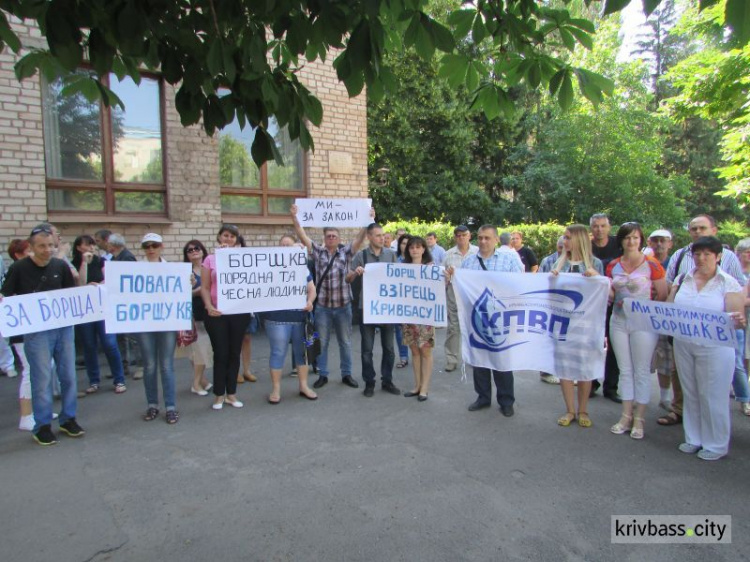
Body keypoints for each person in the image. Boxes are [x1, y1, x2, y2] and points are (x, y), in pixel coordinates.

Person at [660, 214, 748, 425]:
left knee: (712, 386)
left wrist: (737, 318)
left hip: (716, 339)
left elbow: (739, 290)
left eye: (702, 228)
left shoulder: (728, 262)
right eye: (694, 229)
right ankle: (684, 420)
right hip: (684, 336)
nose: (697, 232)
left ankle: (715, 433)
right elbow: (670, 290)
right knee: (684, 380)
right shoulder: (680, 259)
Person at [0, 224, 84, 445]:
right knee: (42, 378)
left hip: (64, 329)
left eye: (50, 245)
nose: (47, 250)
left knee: (68, 376)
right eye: (42, 246)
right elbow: (6, 294)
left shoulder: (60, 266)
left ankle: (68, 418)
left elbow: (70, 295)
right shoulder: (19, 268)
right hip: (36, 333)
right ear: (31, 247)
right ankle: (43, 425)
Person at [670, 236, 746, 460]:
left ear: (718, 256)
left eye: (707, 255)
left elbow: (736, 317)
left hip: (715, 347)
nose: (701, 259)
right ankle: (693, 438)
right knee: (690, 391)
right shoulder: (683, 279)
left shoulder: (728, 282)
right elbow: (668, 308)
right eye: (697, 254)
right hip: (684, 343)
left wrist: (738, 320)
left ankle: (716, 444)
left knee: (713, 395)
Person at [291, 204, 371, 390]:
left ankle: (347, 374)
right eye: (328, 236)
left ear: (339, 238)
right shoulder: (317, 252)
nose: (331, 238)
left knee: (345, 342)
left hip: (343, 307)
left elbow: (360, 239)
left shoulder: (347, 252)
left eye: (334, 236)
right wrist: (295, 218)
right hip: (323, 308)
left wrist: (367, 221)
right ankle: (323, 374)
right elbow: (302, 235)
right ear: (324, 238)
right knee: (323, 342)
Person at [446, 225, 523, 417]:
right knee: (479, 359)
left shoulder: (509, 260)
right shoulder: (470, 261)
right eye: (480, 238)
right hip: (477, 318)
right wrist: (452, 277)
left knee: (502, 360)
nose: (482, 242)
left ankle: (506, 401)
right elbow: (462, 286)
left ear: (496, 240)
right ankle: (483, 397)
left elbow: (520, 285)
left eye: (487, 238)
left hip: (501, 319)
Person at [607, 222, 668, 440]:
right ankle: (625, 414)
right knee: (625, 369)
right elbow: (611, 292)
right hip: (619, 321)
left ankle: (639, 417)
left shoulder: (652, 265)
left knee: (641, 370)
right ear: (621, 240)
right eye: (626, 238)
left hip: (643, 323)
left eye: (635, 237)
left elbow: (662, 294)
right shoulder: (613, 265)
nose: (631, 242)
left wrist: (645, 309)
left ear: (641, 240)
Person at [550, 225, 604, 427]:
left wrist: (596, 277)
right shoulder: (557, 264)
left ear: (579, 239)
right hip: (563, 323)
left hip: (586, 325)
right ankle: (570, 410)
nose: (564, 241)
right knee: (564, 368)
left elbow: (606, 292)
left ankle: (583, 410)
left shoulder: (595, 263)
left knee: (584, 368)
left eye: (568, 237)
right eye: (564, 237)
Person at [347, 223, 401, 397]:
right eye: (377, 235)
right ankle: (369, 382)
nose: (382, 238)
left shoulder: (391, 255)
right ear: (369, 237)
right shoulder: (361, 255)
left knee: (389, 348)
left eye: (383, 235)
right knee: (367, 349)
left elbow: (400, 278)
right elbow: (347, 278)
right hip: (368, 308)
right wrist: (356, 272)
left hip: (387, 309)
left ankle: (387, 380)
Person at [201, 224, 250, 410]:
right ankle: (218, 394)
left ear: (236, 240)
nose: (228, 239)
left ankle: (231, 393)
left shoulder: (243, 258)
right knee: (220, 353)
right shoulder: (210, 259)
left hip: (238, 312)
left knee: (233, 353)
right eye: (225, 235)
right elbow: (205, 287)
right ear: (219, 237)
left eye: (232, 236)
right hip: (217, 313)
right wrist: (209, 306)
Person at [264, 234, 318, 403]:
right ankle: (276, 390)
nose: (286, 249)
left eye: (289, 245)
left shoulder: (302, 267)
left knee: (302, 354)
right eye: (283, 246)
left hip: (300, 317)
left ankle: (303, 386)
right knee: (278, 352)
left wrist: (310, 302)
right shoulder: (268, 266)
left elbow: (312, 289)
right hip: (276, 318)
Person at [72, 235, 126, 395]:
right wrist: (84, 263)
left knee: (109, 343)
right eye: (86, 244)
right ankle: (94, 381)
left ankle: (119, 379)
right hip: (85, 310)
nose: (90, 248)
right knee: (89, 345)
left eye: (92, 245)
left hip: (102, 308)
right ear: (78, 248)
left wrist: (100, 285)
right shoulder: (74, 264)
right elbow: (80, 283)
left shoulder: (101, 261)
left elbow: (110, 279)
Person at [137, 233, 179, 424]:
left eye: (154, 245)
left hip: (167, 321)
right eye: (147, 246)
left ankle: (170, 407)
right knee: (150, 365)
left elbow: (180, 290)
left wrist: (189, 284)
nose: (151, 249)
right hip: (145, 322)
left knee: (166, 365)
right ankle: (152, 404)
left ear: (161, 246)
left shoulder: (171, 269)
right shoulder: (135, 269)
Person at [589, 213, 623, 402]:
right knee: (592, 343)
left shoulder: (618, 245)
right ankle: (591, 383)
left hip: (614, 302)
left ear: (609, 227)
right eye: (595, 226)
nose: (599, 229)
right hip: (592, 304)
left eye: (603, 226)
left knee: (613, 346)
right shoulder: (587, 247)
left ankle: (611, 387)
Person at [401, 237, 435, 401]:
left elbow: (440, 288)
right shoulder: (401, 268)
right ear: (408, 250)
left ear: (423, 249)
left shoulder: (431, 268)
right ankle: (417, 385)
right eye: (411, 247)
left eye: (418, 247)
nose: (414, 250)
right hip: (409, 315)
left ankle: (425, 388)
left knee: (425, 350)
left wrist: (448, 276)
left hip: (425, 315)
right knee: (414, 350)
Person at [647, 229, 676, 411]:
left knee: (667, 358)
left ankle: (666, 397)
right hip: (646, 315)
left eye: (663, 240)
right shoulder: (644, 261)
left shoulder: (674, 262)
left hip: (668, 317)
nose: (659, 244)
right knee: (647, 357)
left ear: (670, 243)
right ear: (650, 242)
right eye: (655, 240)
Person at [443, 225, 478, 372]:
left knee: (475, 328)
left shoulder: (477, 252)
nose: (461, 238)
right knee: (453, 329)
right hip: (454, 296)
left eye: (464, 235)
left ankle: (475, 357)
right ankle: (452, 359)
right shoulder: (449, 254)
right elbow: (443, 276)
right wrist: (448, 276)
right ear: (455, 237)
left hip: (473, 297)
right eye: (458, 235)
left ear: (469, 236)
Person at [108, 233, 142, 379]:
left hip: (128, 302)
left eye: (109, 244)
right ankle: (123, 365)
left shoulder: (126, 257)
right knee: (121, 337)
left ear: (114, 245)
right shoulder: (115, 257)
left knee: (133, 337)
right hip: (119, 302)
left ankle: (140, 365)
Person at [182, 239, 213, 396]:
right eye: (190, 250)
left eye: (197, 248)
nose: (194, 251)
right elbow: (181, 294)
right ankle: (195, 383)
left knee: (203, 350)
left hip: (210, 313)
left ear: (202, 250)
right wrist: (197, 290)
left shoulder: (209, 267)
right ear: (186, 255)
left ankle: (202, 380)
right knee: (199, 350)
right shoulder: (186, 272)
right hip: (195, 315)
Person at [7, 239, 32, 430]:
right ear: (19, 254)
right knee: (30, 370)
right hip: (22, 330)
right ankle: (26, 415)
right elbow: (7, 296)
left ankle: (38, 409)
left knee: (42, 369)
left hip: (35, 329)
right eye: (28, 250)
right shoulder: (17, 270)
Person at [394, 233, 413, 369]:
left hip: (414, 301)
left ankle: (418, 355)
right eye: (403, 243)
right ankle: (403, 357)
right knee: (400, 331)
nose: (405, 246)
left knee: (415, 330)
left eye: (408, 244)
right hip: (398, 301)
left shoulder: (418, 260)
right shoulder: (394, 259)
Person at [737, 237, 750, 377]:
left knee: (748, 352)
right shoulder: (733, 272)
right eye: (747, 251)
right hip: (737, 315)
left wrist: (740, 301)